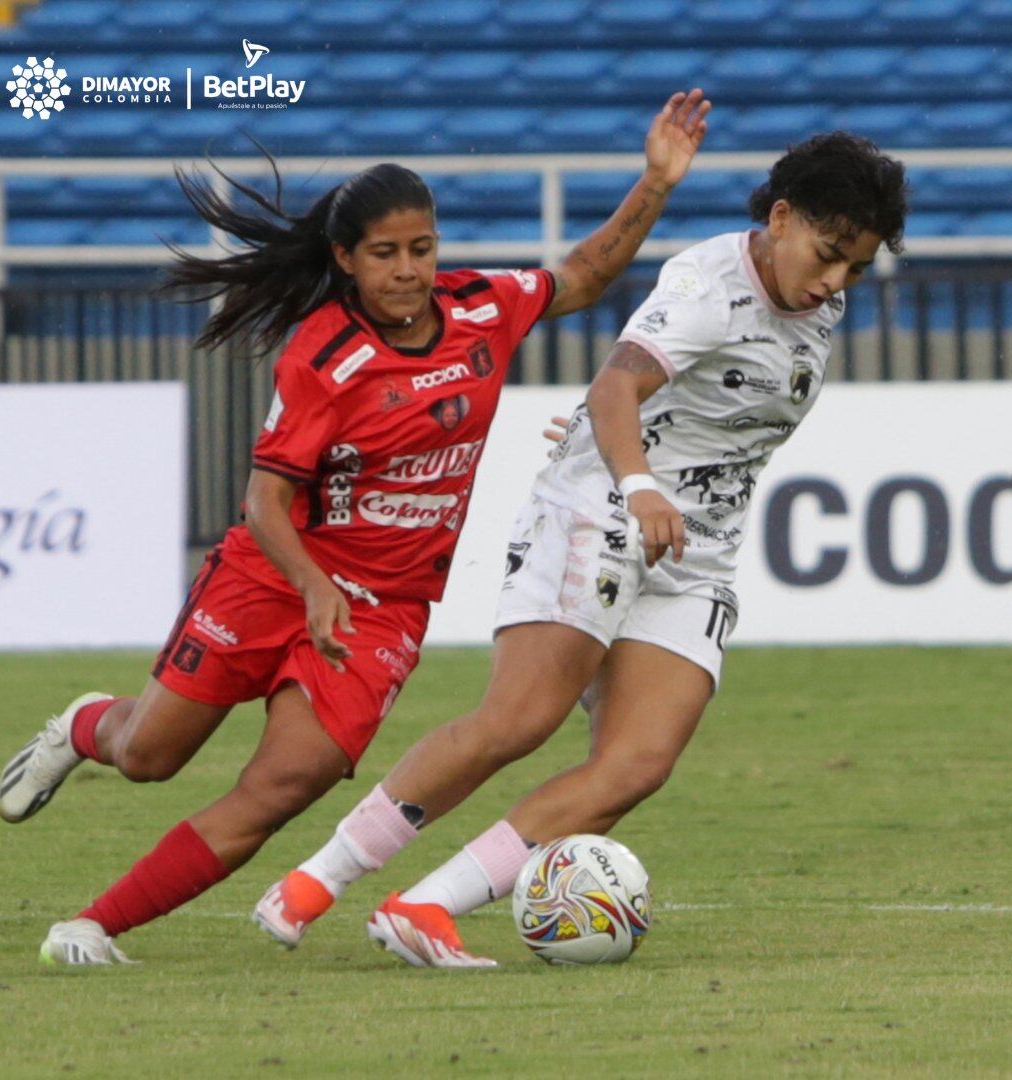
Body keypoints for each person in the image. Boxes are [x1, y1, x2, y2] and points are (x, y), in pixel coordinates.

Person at [0, 89, 713, 965]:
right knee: (148, 754)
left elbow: (584, 276)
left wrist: (655, 183)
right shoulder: (323, 356)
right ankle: (82, 728)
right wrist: (313, 586)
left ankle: (93, 925)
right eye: (385, 254)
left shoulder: (485, 308)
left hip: (384, 611)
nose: (408, 269)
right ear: (346, 259)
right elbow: (265, 502)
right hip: (275, 576)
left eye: (422, 248)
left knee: (282, 787)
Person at [259, 131, 909, 967]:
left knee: (636, 765)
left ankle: (424, 906)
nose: (834, 282)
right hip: (607, 508)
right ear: (780, 219)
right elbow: (616, 386)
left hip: (696, 549)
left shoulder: (817, 298)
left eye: (853, 268)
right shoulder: (710, 287)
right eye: (827, 256)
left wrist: (659, 462)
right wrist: (635, 479)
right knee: (517, 721)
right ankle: (314, 881)